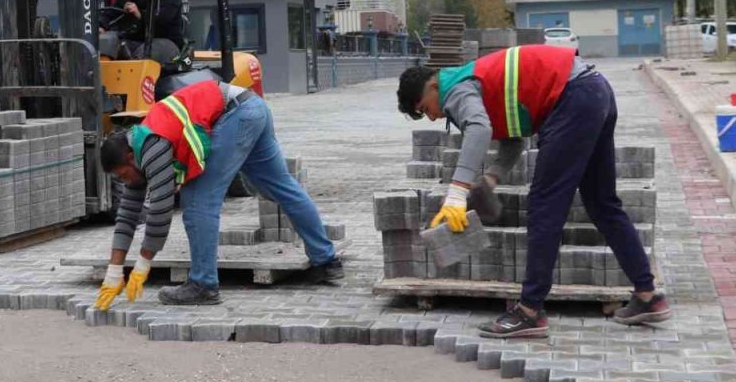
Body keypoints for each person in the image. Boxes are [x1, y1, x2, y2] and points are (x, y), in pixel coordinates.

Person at [396, 45, 670, 339]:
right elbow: (512, 141)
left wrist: (456, 193)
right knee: (602, 202)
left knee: (543, 206)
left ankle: (529, 311)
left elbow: (478, 129)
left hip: (572, 99)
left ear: (433, 85)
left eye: (425, 108)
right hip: (594, 90)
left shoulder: (456, 89)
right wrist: (490, 179)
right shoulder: (475, 84)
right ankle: (647, 296)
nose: (433, 118)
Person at [95, 79, 341, 308]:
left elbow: (160, 211)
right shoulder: (139, 148)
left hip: (235, 115)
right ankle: (326, 261)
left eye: (123, 175)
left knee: (197, 201)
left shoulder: (152, 147)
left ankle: (203, 285)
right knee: (280, 187)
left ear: (129, 157)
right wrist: (114, 273)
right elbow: (127, 217)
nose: (125, 181)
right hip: (252, 107)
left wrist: (142, 265)